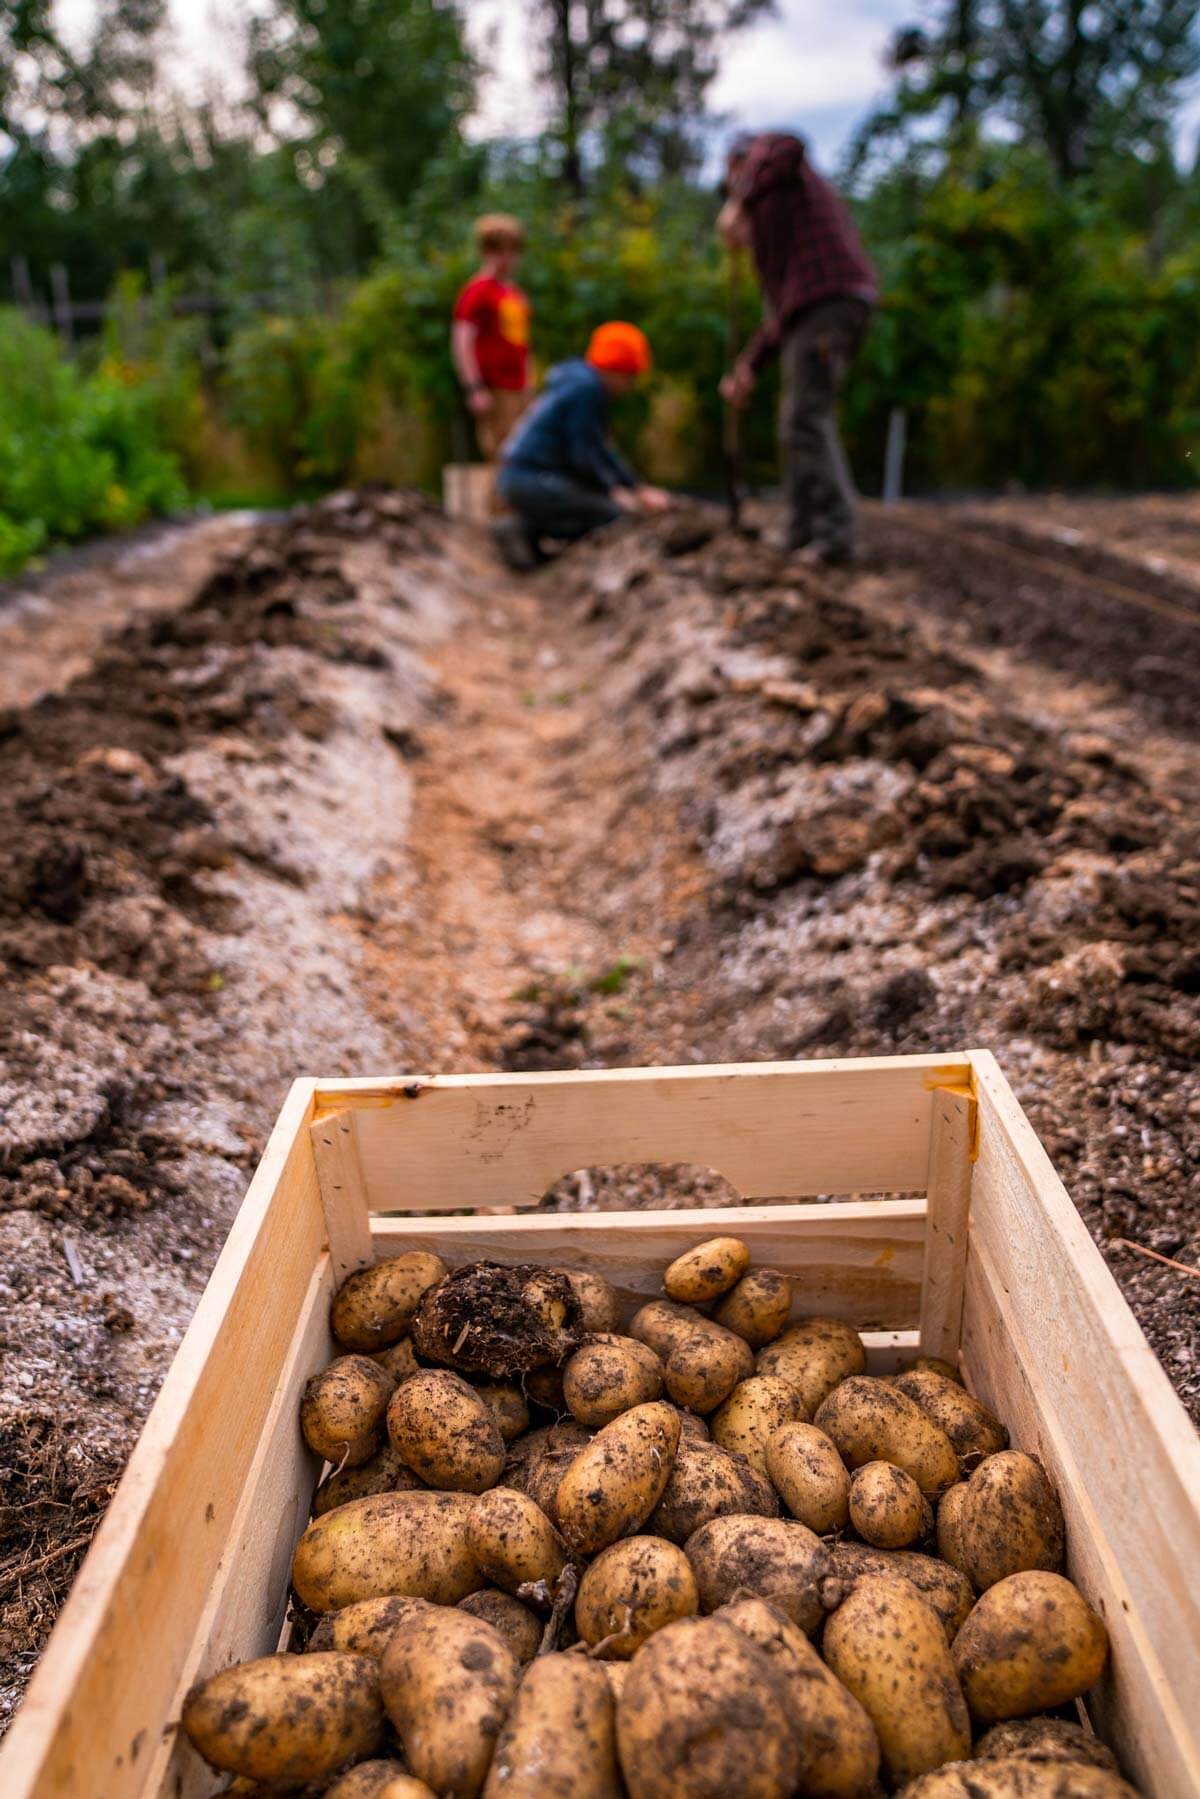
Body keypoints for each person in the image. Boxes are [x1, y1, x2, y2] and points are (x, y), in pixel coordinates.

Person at [717, 132, 877, 566]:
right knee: (796, 420)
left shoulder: (781, 174)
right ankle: (801, 530)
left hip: (833, 301)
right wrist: (748, 367)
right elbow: (780, 316)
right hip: (813, 312)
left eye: (734, 180)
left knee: (805, 418)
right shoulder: (772, 234)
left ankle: (835, 536)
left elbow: (787, 145)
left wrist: (741, 201)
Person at [494, 322, 670, 568]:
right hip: (531, 480)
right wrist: (614, 491)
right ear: (616, 370)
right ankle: (524, 531)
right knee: (611, 515)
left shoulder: (580, 383)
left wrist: (634, 486)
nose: (628, 387)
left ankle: (526, 532)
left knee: (599, 506)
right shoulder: (587, 390)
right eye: (629, 378)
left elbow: (598, 450)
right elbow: (584, 453)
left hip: (524, 478)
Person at [451, 214, 533, 459]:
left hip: (519, 388)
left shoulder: (513, 293)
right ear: (486, 251)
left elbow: (522, 344)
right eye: (500, 250)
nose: (507, 258)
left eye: (512, 251)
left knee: (525, 455)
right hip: (494, 387)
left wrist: (529, 386)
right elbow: (462, 340)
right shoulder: (478, 291)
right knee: (503, 457)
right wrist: (474, 387)